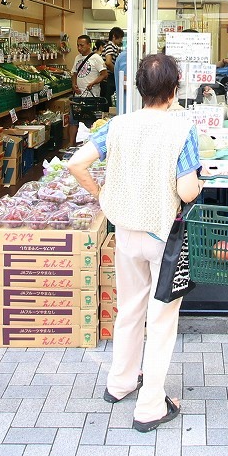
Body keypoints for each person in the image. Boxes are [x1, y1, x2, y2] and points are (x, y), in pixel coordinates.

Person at [67, 54, 203, 433]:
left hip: (126, 232)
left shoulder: (117, 125)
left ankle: (120, 382)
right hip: (163, 236)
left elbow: (77, 165)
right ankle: (149, 406)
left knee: (129, 308)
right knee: (161, 319)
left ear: (137, 88)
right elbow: (187, 190)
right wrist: (198, 185)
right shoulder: (182, 129)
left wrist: (101, 193)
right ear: (174, 90)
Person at [72, 34, 107, 98]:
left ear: (89, 45)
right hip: (78, 95)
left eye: (82, 45)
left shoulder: (96, 58)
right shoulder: (77, 58)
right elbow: (74, 73)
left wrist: (93, 83)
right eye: (78, 45)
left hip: (92, 95)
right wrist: (74, 84)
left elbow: (104, 74)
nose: (79, 48)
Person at [99, 27, 124, 103]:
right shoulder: (110, 46)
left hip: (109, 77)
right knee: (108, 102)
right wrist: (116, 72)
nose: (121, 40)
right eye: (120, 37)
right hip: (109, 77)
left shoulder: (113, 46)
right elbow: (108, 62)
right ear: (114, 36)